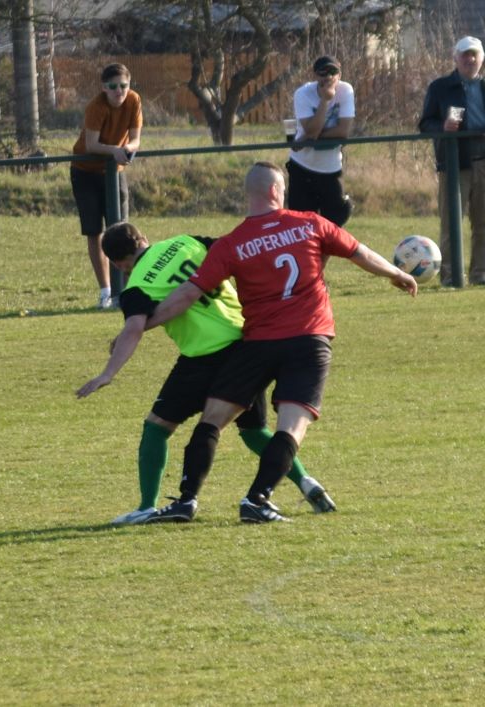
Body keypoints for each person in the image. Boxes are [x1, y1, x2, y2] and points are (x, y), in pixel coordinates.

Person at [145, 162, 416, 523]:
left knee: (213, 419)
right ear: (275, 191)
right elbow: (359, 253)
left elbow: (187, 294)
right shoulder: (310, 224)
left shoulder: (231, 244)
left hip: (257, 344)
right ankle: (256, 500)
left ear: (250, 193)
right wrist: (396, 273)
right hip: (308, 340)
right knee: (291, 426)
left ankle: (185, 501)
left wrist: (142, 324)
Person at [76, 222, 335, 525]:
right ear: (143, 238)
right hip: (246, 343)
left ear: (118, 264)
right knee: (252, 429)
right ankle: (306, 482)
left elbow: (134, 328)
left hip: (204, 357)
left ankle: (148, 506)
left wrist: (108, 373)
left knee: (157, 427)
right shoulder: (187, 242)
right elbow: (237, 254)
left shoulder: (137, 286)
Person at [71, 63, 142, 310]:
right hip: (85, 172)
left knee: (122, 231)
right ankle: (106, 292)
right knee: (94, 232)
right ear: (104, 87)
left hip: (115, 172)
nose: (119, 91)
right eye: (113, 86)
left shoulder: (134, 100)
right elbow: (91, 145)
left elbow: (135, 139)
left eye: (123, 85)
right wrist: (114, 150)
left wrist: (128, 149)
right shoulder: (96, 106)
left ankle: (128, 290)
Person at [419, 36, 485, 286]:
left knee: (483, 223)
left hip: (483, 162)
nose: (470, 59)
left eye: (474, 55)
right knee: (451, 224)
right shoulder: (440, 87)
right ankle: (450, 276)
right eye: (465, 55)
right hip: (455, 164)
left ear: (482, 59)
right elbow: (425, 124)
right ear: (455, 58)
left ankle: (480, 274)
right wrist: (443, 127)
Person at [286, 55, 355, 226]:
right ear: (316, 76)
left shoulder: (346, 90)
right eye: (323, 73)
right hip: (302, 167)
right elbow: (312, 130)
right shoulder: (303, 94)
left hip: (331, 169)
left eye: (333, 72)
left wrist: (307, 138)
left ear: (339, 75)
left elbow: (343, 131)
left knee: (334, 223)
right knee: (301, 225)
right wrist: (325, 100)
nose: (328, 77)